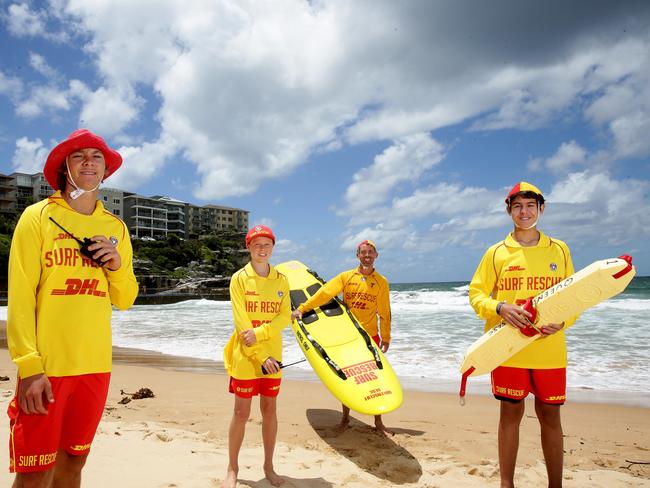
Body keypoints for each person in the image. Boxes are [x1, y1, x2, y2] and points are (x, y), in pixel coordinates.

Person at [7, 129, 139, 487]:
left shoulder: (116, 228)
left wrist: (116, 266)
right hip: (47, 367)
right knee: (35, 472)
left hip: (95, 366)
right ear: (65, 167)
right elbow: (21, 297)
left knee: (74, 464)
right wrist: (30, 367)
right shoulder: (38, 217)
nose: (88, 162)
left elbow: (125, 299)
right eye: (78, 155)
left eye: (96, 156)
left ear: (105, 169)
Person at [468, 182, 576, 488]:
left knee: (550, 415)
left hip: (549, 348)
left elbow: (576, 295)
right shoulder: (496, 253)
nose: (524, 212)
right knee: (510, 413)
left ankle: (556, 484)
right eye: (517, 207)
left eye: (530, 206)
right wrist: (500, 307)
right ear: (509, 211)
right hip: (508, 347)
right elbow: (476, 295)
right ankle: (507, 483)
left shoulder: (559, 249)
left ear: (541, 208)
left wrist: (563, 321)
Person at [290, 239, 392, 434]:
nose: (367, 255)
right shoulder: (346, 277)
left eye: (370, 252)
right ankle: (345, 419)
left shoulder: (381, 282)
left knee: (375, 378)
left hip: (369, 337)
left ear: (376, 255)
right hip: (348, 336)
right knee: (349, 376)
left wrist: (385, 336)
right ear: (358, 255)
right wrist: (302, 308)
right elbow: (324, 293)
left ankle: (378, 421)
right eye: (363, 252)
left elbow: (385, 311)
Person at [222, 225, 291, 488]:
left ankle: (269, 467)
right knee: (241, 413)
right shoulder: (239, 278)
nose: (262, 250)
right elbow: (242, 324)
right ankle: (232, 468)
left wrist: (261, 332)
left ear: (273, 248)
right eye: (257, 245)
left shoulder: (282, 280)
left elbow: (284, 316)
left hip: (273, 356)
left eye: (267, 245)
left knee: (270, 410)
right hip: (247, 357)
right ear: (249, 248)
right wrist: (260, 355)